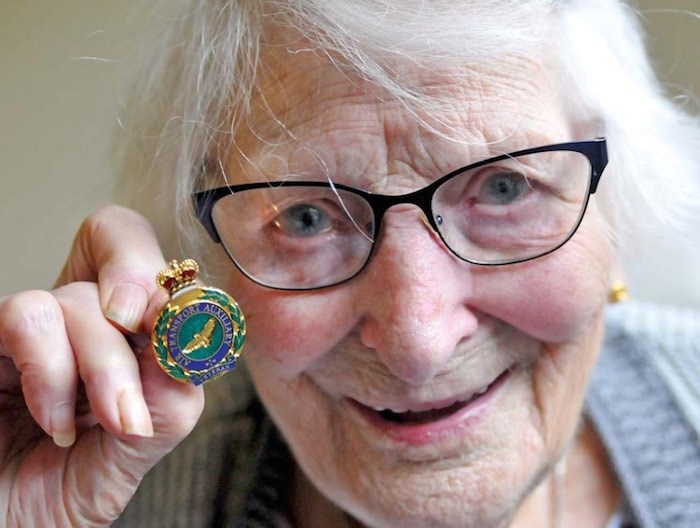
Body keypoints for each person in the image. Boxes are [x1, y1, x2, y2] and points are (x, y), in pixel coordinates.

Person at [1, 0, 699, 526]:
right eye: (306, 218)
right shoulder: (130, 502)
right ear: (213, 256)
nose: (416, 344)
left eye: (505, 187)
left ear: (613, 199)